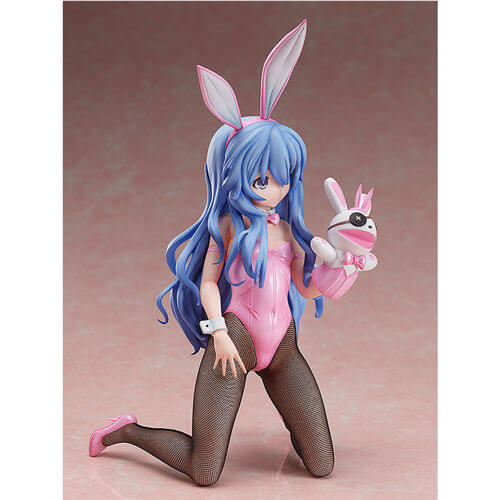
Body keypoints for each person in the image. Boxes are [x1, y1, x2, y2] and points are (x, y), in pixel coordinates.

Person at [89, 20, 340, 486]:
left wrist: (335, 269)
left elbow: (304, 287)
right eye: (261, 179)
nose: (274, 189)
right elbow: (208, 283)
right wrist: (218, 333)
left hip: (283, 346)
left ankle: (297, 427)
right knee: (204, 471)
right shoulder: (228, 227)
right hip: (235, 340)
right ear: (237, 173)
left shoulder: (287, 228)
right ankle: (126, 431)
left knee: (323, 464)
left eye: (283, 178)